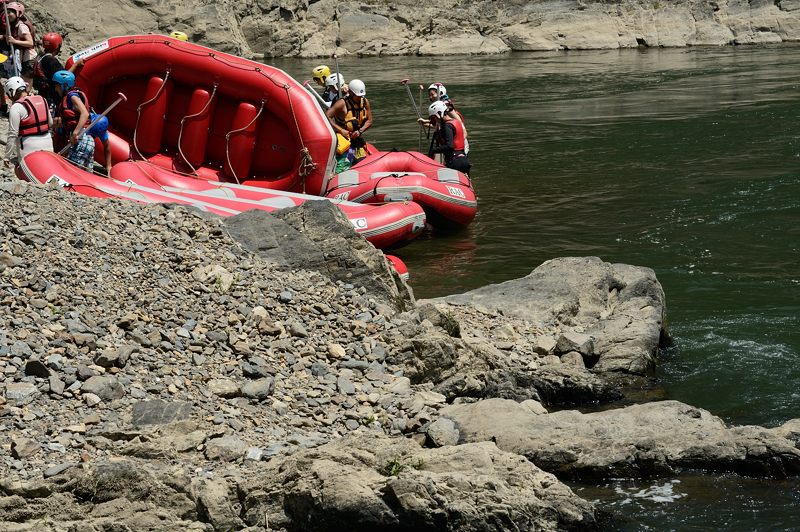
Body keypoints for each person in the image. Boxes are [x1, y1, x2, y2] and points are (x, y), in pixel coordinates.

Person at [3, 76, 53, 168]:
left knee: (20, 171)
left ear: (11, 92)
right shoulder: (42, 99)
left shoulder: (16, 107)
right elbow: (50, 124)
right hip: (48, 143)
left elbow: (13, 134)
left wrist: (7, 156)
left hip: (28, 147)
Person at [52, 70, 95, 172]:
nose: (55, 88)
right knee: (86, 174)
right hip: (87, 140)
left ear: (64, 85)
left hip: (81, 139)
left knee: (72, 172)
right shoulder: (69, 97)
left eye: (57, 85)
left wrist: (75, 132)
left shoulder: (72, 96)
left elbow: (85, 113)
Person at [326, 78, 372, 172]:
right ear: (350, 93)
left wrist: (360, 131)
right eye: (357, 96)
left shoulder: (365, 102)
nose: (360, 98)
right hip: (344, 141)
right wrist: (341, 130)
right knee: (345, 163)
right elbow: (326, 117)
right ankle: (338, 177)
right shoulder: (341, 104)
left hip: (356, 140)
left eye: (361, 96)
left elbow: (369, 121)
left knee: (362, 163)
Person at [33, 32, 83, 110]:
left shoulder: (40, 57)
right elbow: (64, 77)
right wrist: (76, 64)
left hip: (42, 94)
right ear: (57, 46)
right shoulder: (50, 60)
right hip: (51, 96)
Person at [427, 100, 470, 176]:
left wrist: (434, 150)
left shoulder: (447, 126)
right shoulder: (455, 121)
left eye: (434, 118)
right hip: (464, 160)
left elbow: (449, 146)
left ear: (439, 113)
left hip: (455, 162)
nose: (435, 120)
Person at [2, 3, 37, 83]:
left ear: (18, 13)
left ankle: (26, 94)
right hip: (20, 55)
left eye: (10, 12)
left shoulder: (21, 26)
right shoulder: (11, 25)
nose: (7, 15)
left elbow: (30, 43)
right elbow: (8, 42)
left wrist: (15, 41)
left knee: (26, 80)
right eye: (6, 12)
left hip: (29, 57)